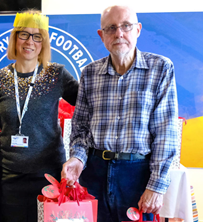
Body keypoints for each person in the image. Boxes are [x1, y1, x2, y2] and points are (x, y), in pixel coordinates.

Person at [61, 5, 178, 222]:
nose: (119, 33)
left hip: (138, 175)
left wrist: (156, 186)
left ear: (138, 29)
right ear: (101, 35)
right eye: (111, 28)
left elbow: (166, 132)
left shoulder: (161, 68)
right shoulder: (89, 73)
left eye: (126, 26)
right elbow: (80, 129)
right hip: (93, 174)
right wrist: (77, 157)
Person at [0, 10, 79, 222]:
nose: (29, 41)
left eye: (37, 36)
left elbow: (87, 105)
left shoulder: (56, 74)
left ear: (44, 42)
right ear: (15, 38)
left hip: (49, 176)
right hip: (11, 177)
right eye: (23, 34)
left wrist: (78, 155)